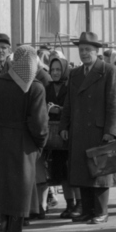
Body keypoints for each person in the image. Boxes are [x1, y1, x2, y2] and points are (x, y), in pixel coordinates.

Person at [0, 44, 48, 232]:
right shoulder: (35, 87)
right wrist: (41, 143)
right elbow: (39, 123)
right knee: (20, 191)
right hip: (23, 144)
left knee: (5, 190)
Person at [60, 31, 116, 225]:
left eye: (88, 50)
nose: (84, 53)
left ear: (97, 51)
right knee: (82, 171)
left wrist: (110, 132)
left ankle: (102, 211)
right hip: (79, 130)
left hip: (99, 131)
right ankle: (87, 211)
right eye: (81, 50)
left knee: (100, 172)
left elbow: (115, 103)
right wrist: (64, 125)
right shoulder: (75, 73)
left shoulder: (109, 71)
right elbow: (68, 103)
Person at [41, 56, 76, 221]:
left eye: (58, 70)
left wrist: (59, 110)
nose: (55, 73)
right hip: (52, 138)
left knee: (72, 171)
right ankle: (69, 204)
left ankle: (78, 203)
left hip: (68, 133)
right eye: (52, 69)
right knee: (60, 172)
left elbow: (74, 109)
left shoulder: (71, 87)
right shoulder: (46, 87)